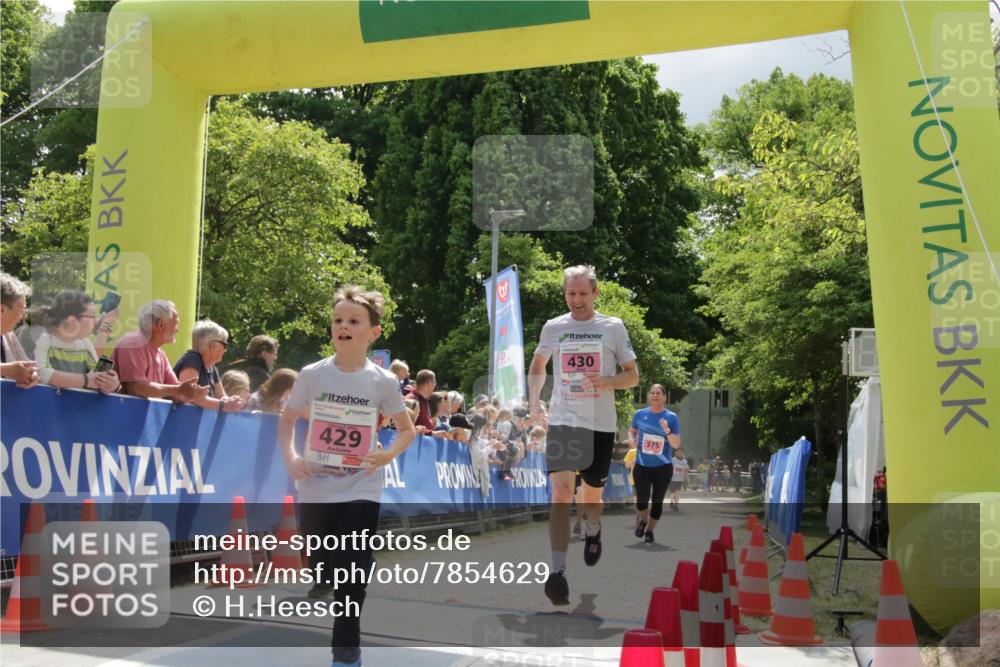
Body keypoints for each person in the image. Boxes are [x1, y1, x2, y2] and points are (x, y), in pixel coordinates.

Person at [278, 286, 414, 667]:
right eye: (338, 320)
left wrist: (385, 454)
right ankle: (328, 571)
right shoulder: (312, 374)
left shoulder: (382, 381)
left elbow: (407, 430)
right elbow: (287, 419)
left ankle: (346, 651)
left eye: (354, 321)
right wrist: (290, 456)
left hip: (361, 486)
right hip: (316, 487)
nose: (343, 326)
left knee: (352, 569)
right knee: (321, 562)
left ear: (373, 332)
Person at [528, 265, 638, 606]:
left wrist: (609, 382)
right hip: (563, 420)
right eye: (570, 294)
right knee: (561, 492)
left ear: (595, 293)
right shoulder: (554, 327)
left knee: (591, 497)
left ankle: (593, 529)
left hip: (600, 425)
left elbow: (632, 376)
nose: (576, 300)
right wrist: (534, 404)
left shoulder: (613, 327)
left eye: (582, 294)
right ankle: (557, 572)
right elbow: (537, 366)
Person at [111, 300, 209, 404]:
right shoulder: (132, 343)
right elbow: (136, 388)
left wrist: (191, 393)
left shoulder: (160, 353)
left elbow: (176, 391)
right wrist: (179, 390)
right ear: (161, 324)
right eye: (176, 324)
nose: (177, 329)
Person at [33, 290, 120, 393]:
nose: (96, 321)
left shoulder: (85, 344)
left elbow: (96, 380)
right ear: (72, 321)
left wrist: (112, 385)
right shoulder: (43, 339)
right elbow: (42, 374)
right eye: (92, 317)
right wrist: (86, 380)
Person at [628, 384, 681, 543]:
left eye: (659, 393)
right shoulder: (639, 414)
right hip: (642, 465)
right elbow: (632, 430)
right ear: (649, 396)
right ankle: (643, 520)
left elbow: (676, 444)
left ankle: (650, 530)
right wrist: (631, 439)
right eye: (653, 393)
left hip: (663, 467)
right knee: (641, 499)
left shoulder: (671, 417)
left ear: (664, 397)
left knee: (657, 501)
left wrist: (666, 430)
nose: (655, 395)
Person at [173, 320, 244, 412]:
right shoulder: (192, 360)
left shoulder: (211, 366)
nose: (225, 350)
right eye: (225, 345)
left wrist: (232, 401)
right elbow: (189, 395)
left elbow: (222, 396)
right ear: (213, 345)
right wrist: (223, 405)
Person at [1, 272, 39, 388]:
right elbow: (9, 370)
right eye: (22, 310)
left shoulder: (9, 336)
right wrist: (4, 370)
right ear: (2, 309)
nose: (24, 316)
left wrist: (32, 374)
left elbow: (26, 365)